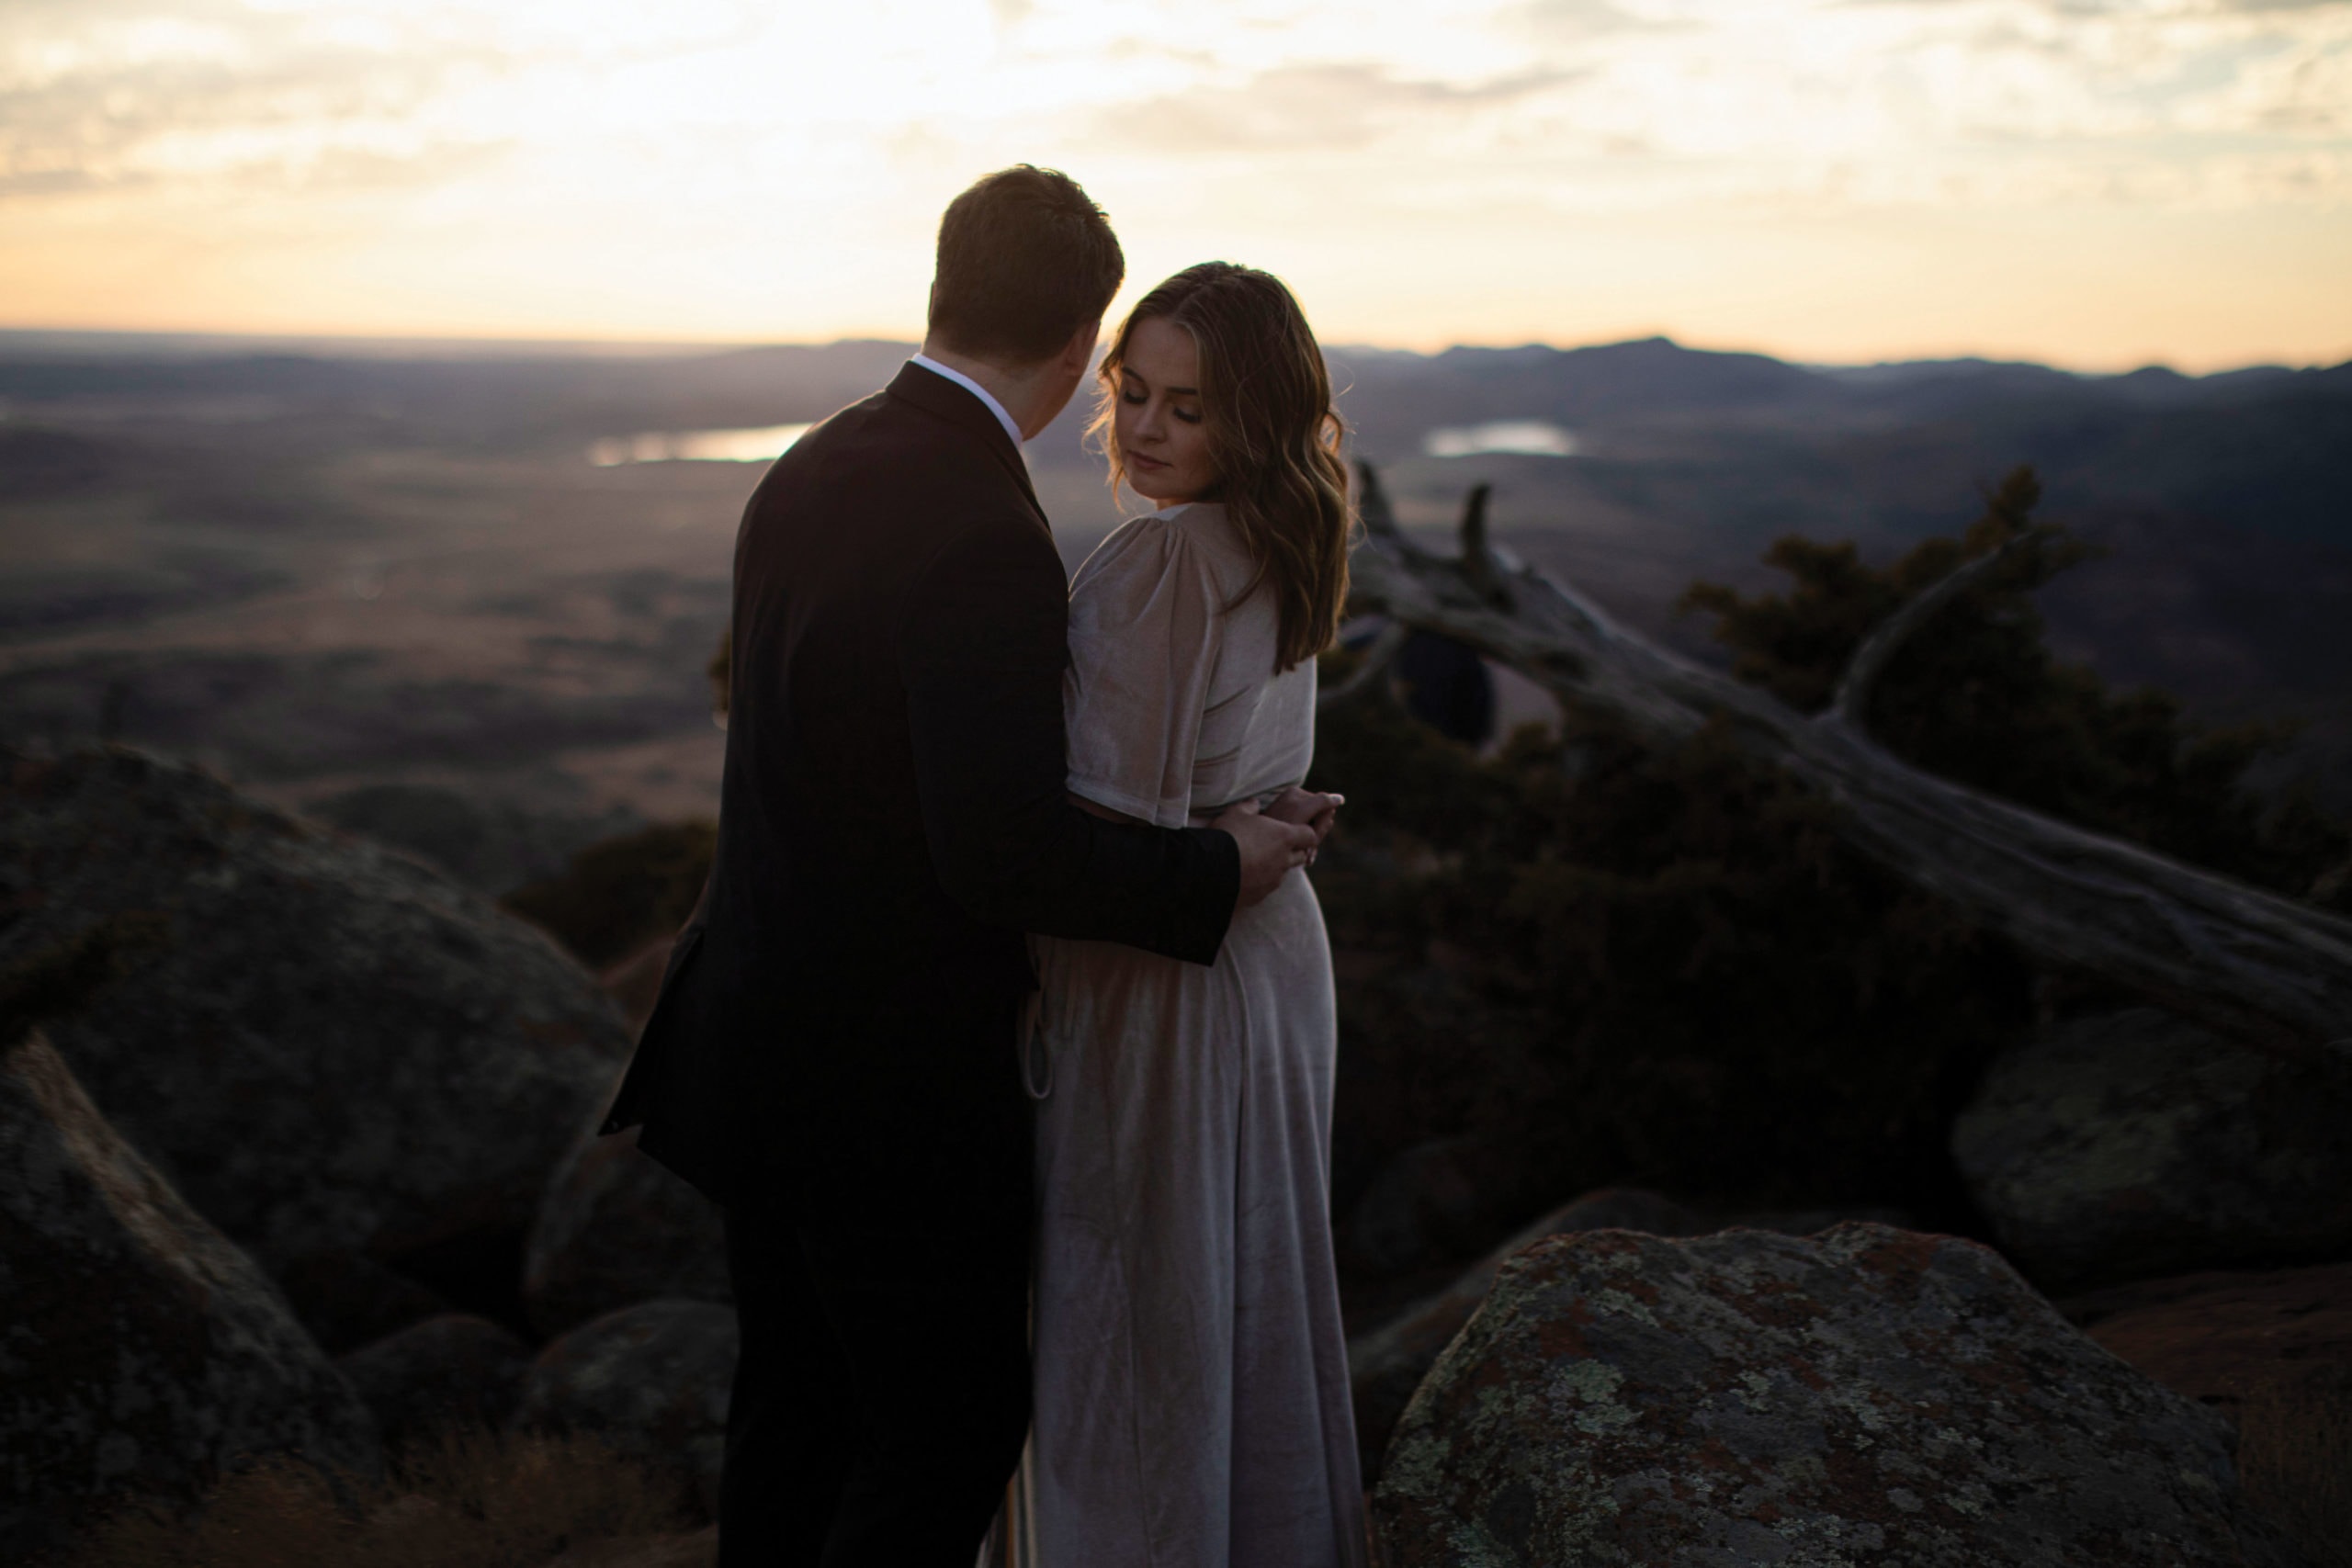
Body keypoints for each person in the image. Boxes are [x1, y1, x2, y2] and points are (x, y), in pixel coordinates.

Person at [597, 169, 1328, 1567]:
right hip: (886, 1087)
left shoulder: (814, 460)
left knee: (797, 1419)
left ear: (945, 289)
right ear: (1080, 344)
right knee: (942, 1436)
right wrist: (1216, 867)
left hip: (756, 1039)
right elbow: (1004, 854)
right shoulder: (986, 537)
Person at [1001, 263, 1367, 1567]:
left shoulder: (1157, 562)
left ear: (1256, 421)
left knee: (1136, 1331)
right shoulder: (1293, 531)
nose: (1147, 429)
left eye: (1189, 408)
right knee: (1243, 1302)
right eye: (1133, 392)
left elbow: (1108, 832)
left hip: (1167, 976)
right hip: (1271, 963)